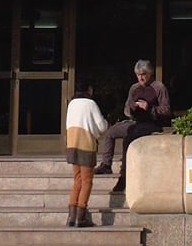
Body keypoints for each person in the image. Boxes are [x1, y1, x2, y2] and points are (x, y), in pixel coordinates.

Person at [93, 59, 170, 187]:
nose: (141, 77)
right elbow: (126, 109)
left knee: (128, 138)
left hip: (152, 123)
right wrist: (131, 108)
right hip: (135, 121)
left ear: (150, 74)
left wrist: (149, 108)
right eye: (138, 74)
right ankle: (106, 164)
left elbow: (166, 110)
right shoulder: (134, 88)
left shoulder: (159, 87)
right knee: (111, 132)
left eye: (143, 74)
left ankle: (124, 177)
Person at [63, 81, 108, 228]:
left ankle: (71, 216)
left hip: (72, 143)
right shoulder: (91, 104)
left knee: (77, 180)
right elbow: (101, 126)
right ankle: (81, 217)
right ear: (89, 89)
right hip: (86, 144)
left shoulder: (71, 104)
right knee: (87, 181)